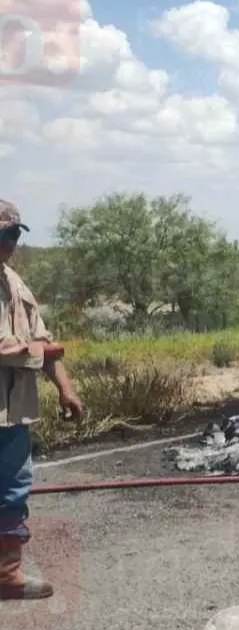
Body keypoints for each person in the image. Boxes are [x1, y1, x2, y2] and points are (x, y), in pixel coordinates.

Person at [0, 198, 84, 601]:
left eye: (14, 234)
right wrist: (36, 352)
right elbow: (35, 348)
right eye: (4, 233)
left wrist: (66, 389)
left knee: (13, 490)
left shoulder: (16, 285)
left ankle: (6, 574)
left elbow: (45, 341)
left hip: (13, 412)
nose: (9, 241)